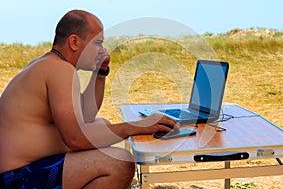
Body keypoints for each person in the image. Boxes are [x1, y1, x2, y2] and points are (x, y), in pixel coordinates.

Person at [0, 10, 179, 189]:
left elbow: (84, 117)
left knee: (102, 124)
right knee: (120, 164)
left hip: (21, 169)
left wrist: (100, 73)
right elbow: (76, 139)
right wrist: (135, 127)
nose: (102, 50)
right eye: (98, 43)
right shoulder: (60, 70)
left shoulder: (50, 64)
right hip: (15, 177)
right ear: (74, 42)